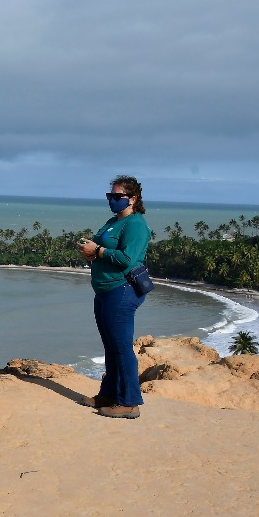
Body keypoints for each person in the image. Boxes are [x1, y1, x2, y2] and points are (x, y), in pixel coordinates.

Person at [76, 175, 152, 419]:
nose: (112, 200)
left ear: (133, 198)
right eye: (110, 195)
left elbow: (127, 259)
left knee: (121, 348)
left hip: (121, 290)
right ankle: (109, 395)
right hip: (105, 291)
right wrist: (90, 252)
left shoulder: (136, 225)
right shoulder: (113, 221)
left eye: (117, 196)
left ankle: (130, 402)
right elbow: (104, 251)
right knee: (111, 347)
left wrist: (97, 250)